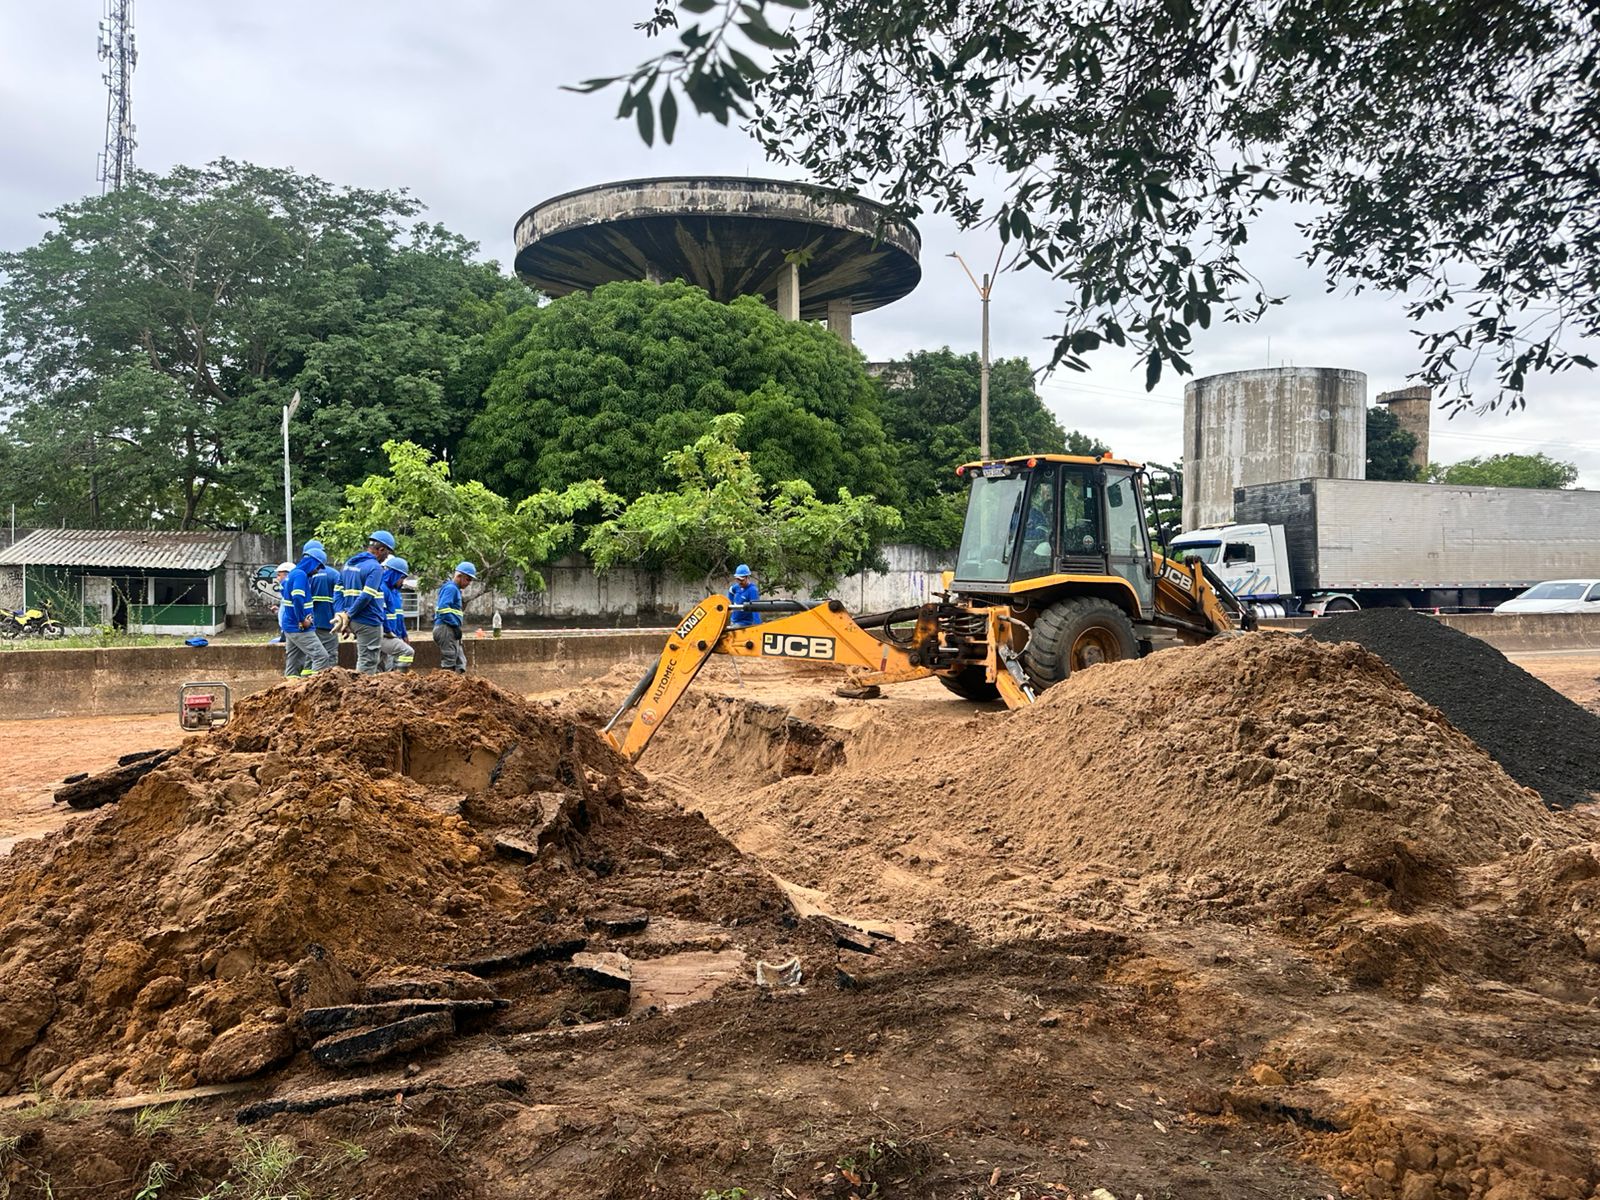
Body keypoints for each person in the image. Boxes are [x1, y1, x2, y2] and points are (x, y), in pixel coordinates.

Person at [332, 531, 395, 674]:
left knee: (364, 659)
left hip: (354, 620)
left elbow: (338, 590)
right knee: (368, 662)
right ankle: (360, 688)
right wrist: (348, 615)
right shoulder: (375, 567)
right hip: (368, 620)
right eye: (387, 553)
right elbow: (367, 596)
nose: (387, 557)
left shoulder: (350, 564)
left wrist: (341, 614)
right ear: (381, 549)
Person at [281, 543, 334, 677]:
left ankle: (291, 685)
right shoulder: (300, 575)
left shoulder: (293, 574)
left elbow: (284, 590)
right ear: (312, 563)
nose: (317, 571)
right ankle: (317, 687)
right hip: (299, 627)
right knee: (321, 657)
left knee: (294, 662)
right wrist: (302, 620)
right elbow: (297, 597)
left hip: (290, 625)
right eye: (318, 567)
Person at [433, 561, 475, 673]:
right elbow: (443, 609)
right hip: (446, 627)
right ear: (459, 576)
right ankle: (446, 682)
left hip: (449, 627)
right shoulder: (451, 588)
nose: (469, 583)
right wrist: (455, 625)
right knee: (450, 660)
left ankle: (457, 682)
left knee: (460, 661)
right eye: (468, 579)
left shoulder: (455, 589)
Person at [307, 543, 342, 666]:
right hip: (327, 623)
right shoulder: (334, 574)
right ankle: (328, 677)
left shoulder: (301, 574)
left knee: (310, 656)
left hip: (307, 623)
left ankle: (307, 676)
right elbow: (340, 598)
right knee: (330, 655)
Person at [378, 556, 415, 672]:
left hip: (393, 634)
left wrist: (403, 634)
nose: (402, 582)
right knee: (406, 652)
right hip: (384, 634)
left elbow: (399, 616)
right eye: (401, 578)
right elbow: (382, 614)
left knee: (383, 666)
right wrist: (388, 631)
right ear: (394, 575)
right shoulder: (382, 588)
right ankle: (399, 677)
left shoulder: (394, 592)